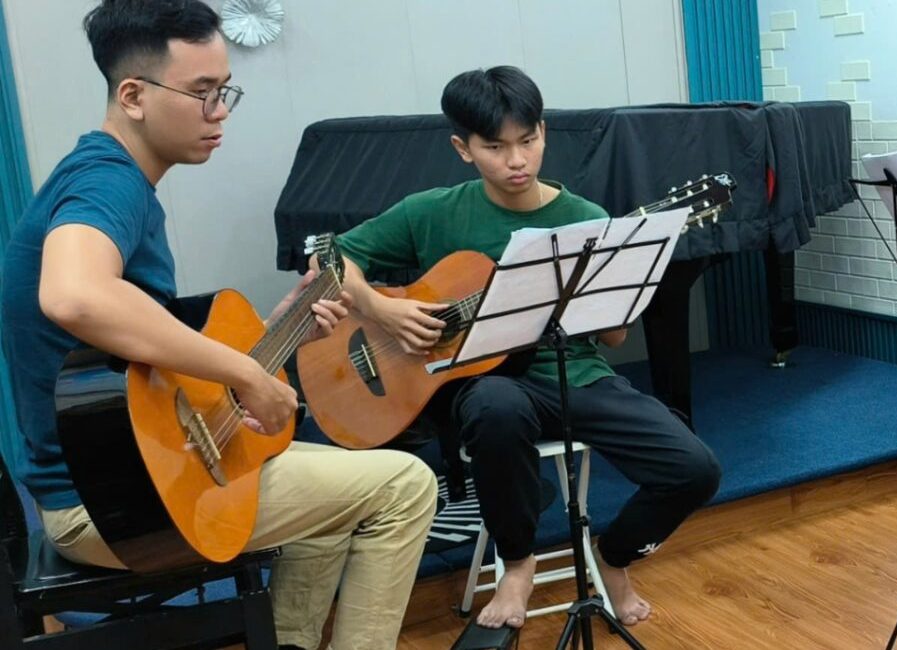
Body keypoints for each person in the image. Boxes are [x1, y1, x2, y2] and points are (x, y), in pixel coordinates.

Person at [0, 2, 438, 649]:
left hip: (125, 478)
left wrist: (280, 332)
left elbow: (142, 367)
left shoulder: (111, 179)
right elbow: (74, 296)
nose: (220, 111)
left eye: (225, 91)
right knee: (405, 486)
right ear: (133, 95)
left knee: (331, 510)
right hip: (108, 506)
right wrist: (245, 373)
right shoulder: (107, 182)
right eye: (202, 92)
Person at [330, 65, 723, 630]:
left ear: (544, 133)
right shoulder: (431, 211)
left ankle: (613, 558)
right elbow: (328, 258)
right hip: (476, 381)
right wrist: (380, 308)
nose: (516, 160)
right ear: (463, 149)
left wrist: (623, 286)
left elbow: (612, 338)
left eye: (528, 140)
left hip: (574, 373)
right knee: (497, 405)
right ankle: (517, 564)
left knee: (695, 469)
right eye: (495, 147)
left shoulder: (586, 219)